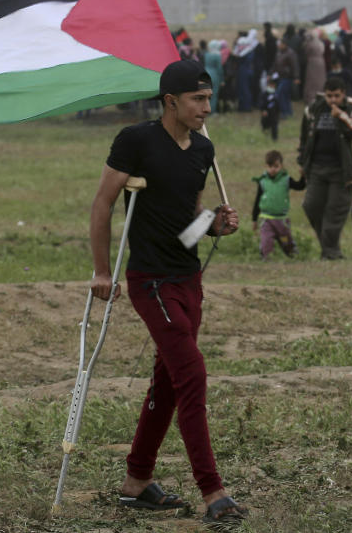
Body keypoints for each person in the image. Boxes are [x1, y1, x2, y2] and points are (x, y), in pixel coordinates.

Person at [89, 59, 246, 527]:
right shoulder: (134, 140)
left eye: (210, 99)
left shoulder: (204, 149)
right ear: (171, 101)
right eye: (198, 100)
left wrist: (213, 224)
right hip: (150, 281)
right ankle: (213, 491)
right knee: (192, 374)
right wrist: (101, 271)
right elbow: (102, 203)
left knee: (168, 381)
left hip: (187, 278)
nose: (207, 108)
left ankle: (136, 482)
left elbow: (187, 227)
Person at [297, 76, 352, 260]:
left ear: (343, 94)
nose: (333, 100)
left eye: (336, 96)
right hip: (317, 167)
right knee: (311, 206)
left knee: (334, 212)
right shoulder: (314, 108)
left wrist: (342, 117)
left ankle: (331, 253)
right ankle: (329, 248)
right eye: (329, 96)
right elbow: (305, 137)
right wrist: (302, 162)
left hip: (344, 169)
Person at [251, 150, 306, 260]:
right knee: (266, 240)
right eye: (270, 166)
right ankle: (266, 258)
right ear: (266, 166)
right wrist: (254, 219)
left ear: (281, 166)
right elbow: (257, 201)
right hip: (266, 219)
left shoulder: (286, 180)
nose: (273, 169)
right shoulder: (262, 181)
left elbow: (300, 186)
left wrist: (303, 176)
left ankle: (293, 256)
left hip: (282, 220)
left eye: (276, 166)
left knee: (287, 242)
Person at [273, 38, 300, 118]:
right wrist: (271, 73)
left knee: (280, 94)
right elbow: (275, 64)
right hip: (280, 76)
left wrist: (296, 77)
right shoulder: (279, 53)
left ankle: (284, 112)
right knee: (285, 95)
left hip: (287, 77)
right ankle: (288, 112)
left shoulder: (291, 53)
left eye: (280, 44)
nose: (279, 45)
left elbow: (295, 66)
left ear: (284, 44)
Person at [302, 30, 327, 106]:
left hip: (312, 62)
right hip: (321, 62)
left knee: (311, 80)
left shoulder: (310, 43)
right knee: (320, 80)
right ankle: (321, 96)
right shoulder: (321, 43)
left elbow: (306, 52)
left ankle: (311, 98)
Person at [259, 73, 281, 141]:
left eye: (273, 85)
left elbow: (278, 104)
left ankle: (275, 138)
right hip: (267, 112)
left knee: (274, 125)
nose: (272, 87)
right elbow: (262, 103)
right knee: (265, 123)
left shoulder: (276, 94)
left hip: (274, 113)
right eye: (270, 85)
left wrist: (278, 111)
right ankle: (265, 133)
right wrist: (263, 110)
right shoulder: (265, 94)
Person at [203, 40, 224, 114]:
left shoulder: (206, 54)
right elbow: (219, 68)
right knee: (214, 93)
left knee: (205, 93)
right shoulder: (217, 56)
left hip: (205, 74)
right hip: (214, 75)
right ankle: (212, 110)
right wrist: (222, 79)